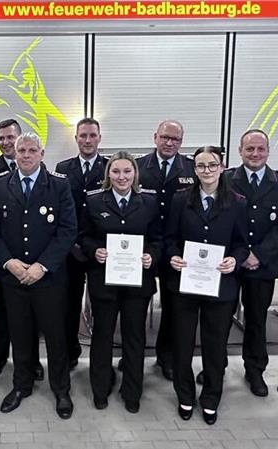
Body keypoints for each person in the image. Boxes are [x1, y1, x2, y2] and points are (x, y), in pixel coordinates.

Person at [0, 132, 77, 419]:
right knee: (20, 335)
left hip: (48, 278)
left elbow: (67, 229)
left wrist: (42, 265)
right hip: (14, 278)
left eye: (31, 150)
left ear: (42, 153)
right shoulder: (0, 186)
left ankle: (61, 389)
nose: (25, 154)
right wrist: (8, 262)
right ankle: (21, 385)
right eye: (20, 150)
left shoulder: (59, 185)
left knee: (55, 336)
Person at [165, 146, 248, 425]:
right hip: (185, 285)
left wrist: (234, 260)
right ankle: (185, 395)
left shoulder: (237, 202)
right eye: (201, 166)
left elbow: (241, 243)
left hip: (220, 286)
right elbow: (169, 239)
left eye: (212, 165)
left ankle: (211, 398)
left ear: (222, 167)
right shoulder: (180, 200)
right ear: (194, 169)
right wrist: (173, 256)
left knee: (215, 346)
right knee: (182, 345)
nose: (207, 171)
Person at [80, 151, 162, 414]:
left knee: (134, 337)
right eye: (116, 171)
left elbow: (159, 238)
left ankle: (132, 392)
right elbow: (83, 236)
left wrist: (152, 255)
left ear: (135, 174)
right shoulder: (93, 202)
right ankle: (100, 389)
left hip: (137, 283)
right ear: (108, 174)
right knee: (102, 336)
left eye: (127, 171)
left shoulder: (149, 202)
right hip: (104, 282)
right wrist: (95, 251)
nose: (122, 177)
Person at [223, 129, 278, 396]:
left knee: (256, 320)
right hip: (230, 265)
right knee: (219, 319)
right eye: (249, 149)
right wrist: (241, 256)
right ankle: (215, 367)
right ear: (240, 151)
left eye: (260, 149)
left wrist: (258, 255)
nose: (255, 154)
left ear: (267, 151)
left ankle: (255, 371)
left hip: (263, 265)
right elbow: (220, 221)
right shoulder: (226, 179)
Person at [0, 119, 43, 381]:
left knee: (33, 310)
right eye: (1, 138)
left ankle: (33, 361)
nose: (5, 142)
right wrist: (3, 256)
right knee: (3, 308)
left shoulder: (38, 168)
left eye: (10, 137)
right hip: (2, 257)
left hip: (32, 257)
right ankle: (0, 356)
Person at [135, 120, 195, 380]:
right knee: (136, 307)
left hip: (175, 248)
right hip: (144, 247)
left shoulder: (191, 168)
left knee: (173, 308)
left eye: (176, 139)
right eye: (165, 137)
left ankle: (166, 357)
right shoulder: (137, 167)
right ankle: (132, 356)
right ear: (155, 137)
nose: (170, 143)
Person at [55, 118, 108, 369]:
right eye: (83, 135)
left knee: (100, 306)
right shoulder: (62, 168)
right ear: (75, 138)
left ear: (99, 138)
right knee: (68, 306)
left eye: (92, 135)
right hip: (70, 250)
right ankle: (70, 352)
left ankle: (100, 358)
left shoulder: (111, 168)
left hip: (100, 249)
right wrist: (71, 243)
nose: (87, 140)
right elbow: (60, 209)